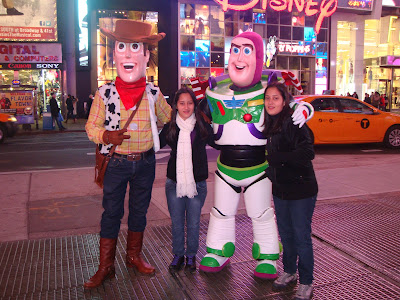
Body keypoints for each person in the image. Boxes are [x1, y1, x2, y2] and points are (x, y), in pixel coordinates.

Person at [196, 31, 314, 278]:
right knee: (220, 212)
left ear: (258, 56)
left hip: (259, 168)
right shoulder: (215, 91)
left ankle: (268, 256)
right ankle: (218, 250)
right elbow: (196, 115)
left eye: (246, 50)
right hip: (224, 168)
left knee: (261, 214)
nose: (239, 57)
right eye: (235, 49)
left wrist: (304, 109)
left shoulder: (267, 92)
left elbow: (295, 105)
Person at [84, 19, 171, 289]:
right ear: (114, 54)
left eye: (136, 47)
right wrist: (106, 136)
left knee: (139, 212)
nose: (129, 53)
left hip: (144, 163)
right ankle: (105, 266)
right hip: (116, 163)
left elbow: (170, 117)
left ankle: (133, 256)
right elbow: (91, 126)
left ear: (147, 55)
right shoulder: (105, 92)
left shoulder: (153, 93)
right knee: (110, 213)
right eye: (122, 46)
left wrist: (186, 102)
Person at [263, 82, 318, 300]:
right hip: (281, 190)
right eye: (267, 98)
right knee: (286, 235)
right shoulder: (271, 123)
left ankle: (306, 282)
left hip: (301, 189)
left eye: (275, 98)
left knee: (301, 236)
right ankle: (289, 271)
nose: (270, 102)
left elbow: (307, 152)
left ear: (285, 101)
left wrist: (279, 161)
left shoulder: (293, 121)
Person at [159, 87, 218, 273]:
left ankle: (191, 255)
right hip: (173, 184)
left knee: (193, 223)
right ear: (176, 105)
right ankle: (178, 255)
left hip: (197, 183)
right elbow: (153, 143)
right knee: (177, 222)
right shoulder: (170, 127)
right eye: (182, 103)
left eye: (190, 103)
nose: (186, 107)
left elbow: (219, 142)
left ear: (195, 105)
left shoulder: (202, 126)